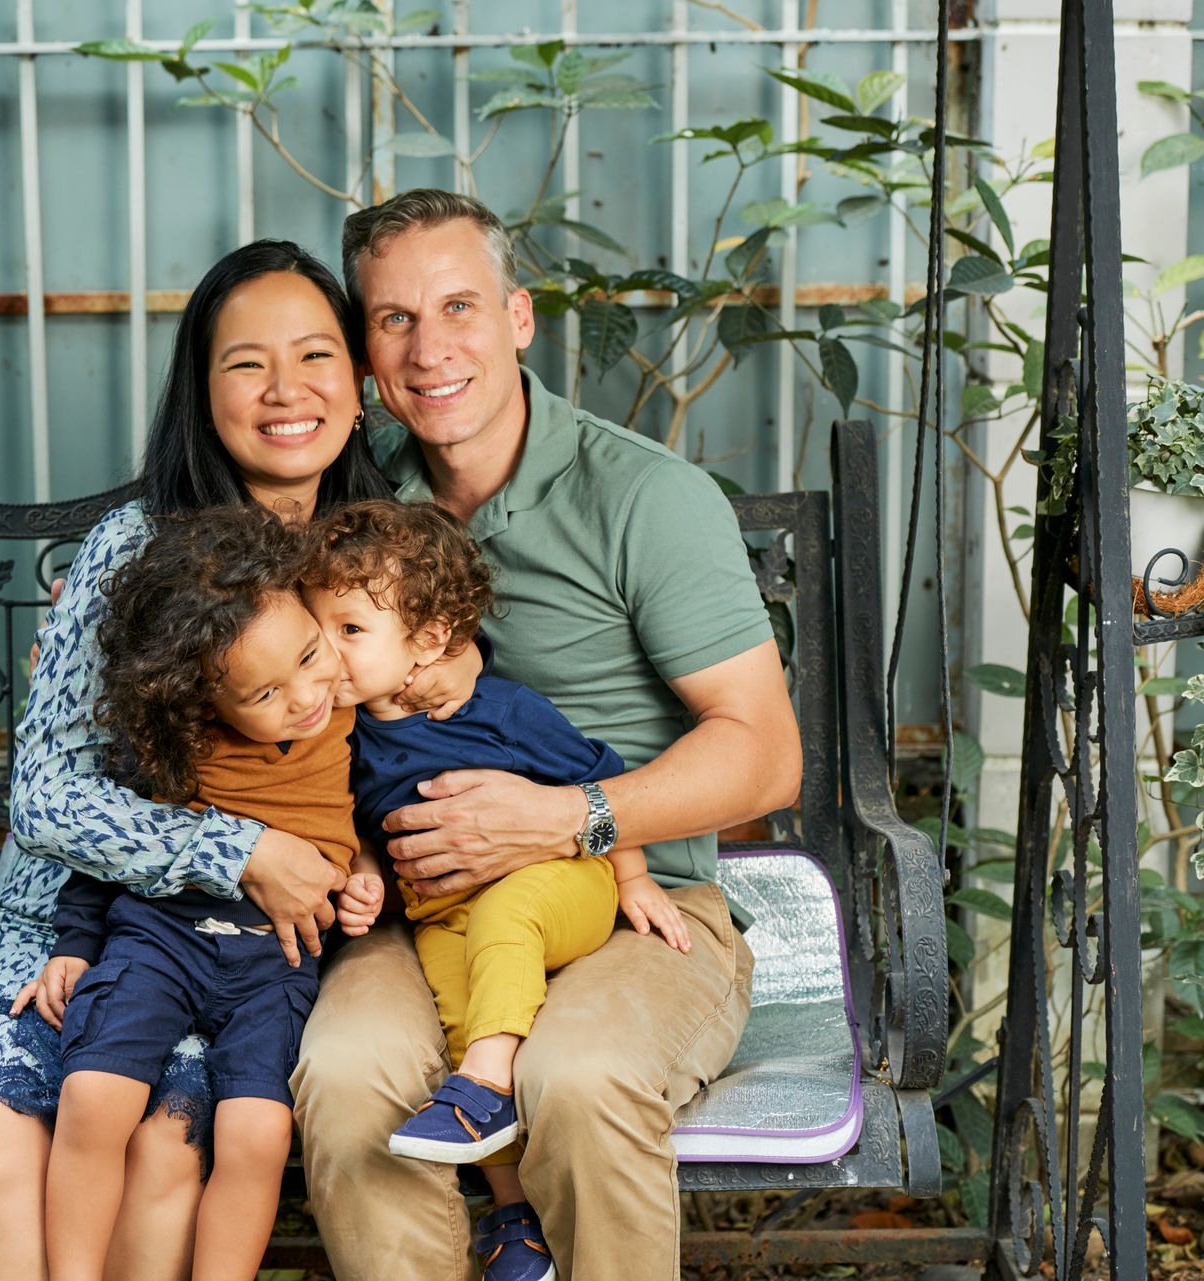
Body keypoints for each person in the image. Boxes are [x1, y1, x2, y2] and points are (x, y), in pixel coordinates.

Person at [0, 238, 458, 1280]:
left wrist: (362, 870)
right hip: (72, 921)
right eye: (247, 362)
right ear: (201, 393)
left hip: (257, 958)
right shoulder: (135, 548)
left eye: (316, 356)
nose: (285, 389)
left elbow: (401, 762)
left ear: (361, 382)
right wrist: (238, 848)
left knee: (166, 1141)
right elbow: (47, 797)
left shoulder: (385, 562)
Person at [291, 189, 803, 1281]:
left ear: (520, 319)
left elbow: (764, 752)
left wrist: (571, 817)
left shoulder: (644, 498)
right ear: (366, 348)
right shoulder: (358, 500)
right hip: (423, 909)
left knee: (578, 1075)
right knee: (344, 1071)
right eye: (394, 320)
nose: (431, 350)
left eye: (460, 306)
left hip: (636, 902)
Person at [299, 499, 689, 1280]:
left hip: (558, 885)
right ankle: (515, 1215)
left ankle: (490, 1071)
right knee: (455, 1015)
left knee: (505, 927)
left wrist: (635, 877)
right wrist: (368, 875)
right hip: (445, 914)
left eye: (350, 632)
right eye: (318, 630)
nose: (327, 653)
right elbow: (366, 825)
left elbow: (599, 777)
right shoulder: (342, 731)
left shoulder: (502, 711)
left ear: (430, 638)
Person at [33, 506, 383, 1281]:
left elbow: (376, 814)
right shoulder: (177, 744)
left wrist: (367, 878)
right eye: (262, 693)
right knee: (93, 1094)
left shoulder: (357, 711)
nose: (303, 695)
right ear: (201, 700)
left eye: (308, 653)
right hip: (161, 939)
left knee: (258, 1132)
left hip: (277, 960)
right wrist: (72, 945)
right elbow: (106, 849)